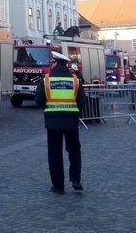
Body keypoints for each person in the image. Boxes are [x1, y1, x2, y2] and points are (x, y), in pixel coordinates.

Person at [35, 51, 85, 195]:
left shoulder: (46, 80)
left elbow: (39, 101)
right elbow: (81, 102)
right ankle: (76, 180)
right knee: (74, 150)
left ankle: (58, 186)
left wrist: (49, 108)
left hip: (53, 122)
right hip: (71, 122)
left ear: (56, 63)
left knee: (55, 154)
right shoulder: (75, 80)